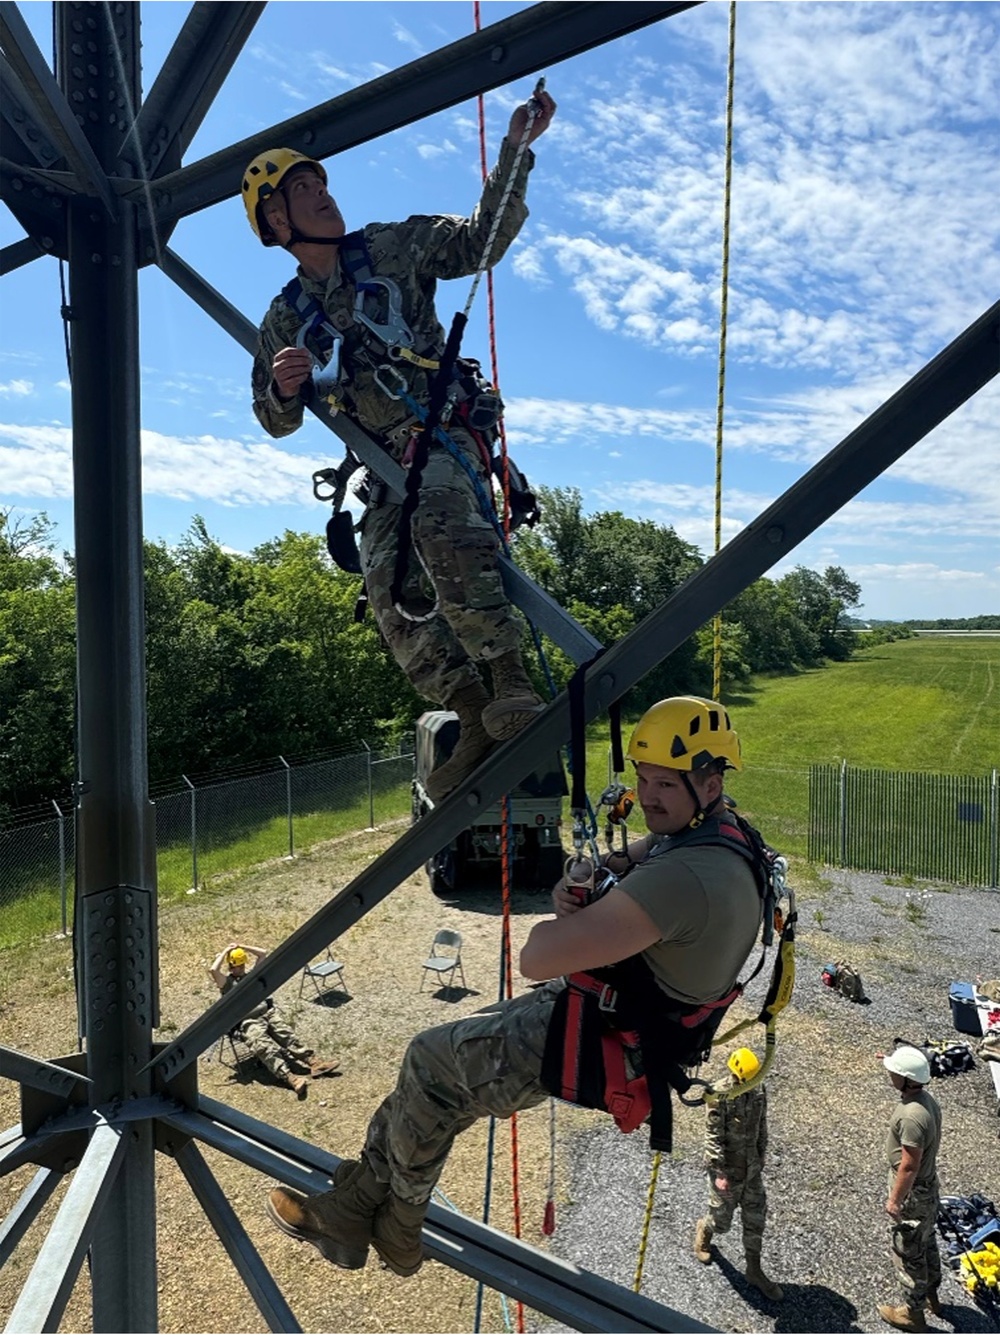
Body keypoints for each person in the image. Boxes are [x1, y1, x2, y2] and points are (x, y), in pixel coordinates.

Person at [264, 696, 766, 1276]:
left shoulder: (685, 877)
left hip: (597, 1038)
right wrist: (594, 879)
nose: (648, 798)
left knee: (429, 1062)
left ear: (708, 782)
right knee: (441, 1084)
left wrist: (574, 915)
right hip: (624, 1020)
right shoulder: (722, 834)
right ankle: (357, 1209)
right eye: (643, 779)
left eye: (664, 786)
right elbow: (641, 853)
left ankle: (394, 1225)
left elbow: (536, 957)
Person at [243, 85, 557, 803]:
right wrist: (285, 390)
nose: (322, 194)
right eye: (301, 189)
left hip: (443, 430)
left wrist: (515, 151)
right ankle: (473, 714)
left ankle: (508, 675)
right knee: (387, 594)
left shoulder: (390, 245)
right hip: (383, 466)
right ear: (275, 221)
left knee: (441, 520)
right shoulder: (283, 318)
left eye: (321, 181)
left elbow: (479, 240)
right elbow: (272, 418)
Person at [693, 1047, 783, 1301]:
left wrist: (762, 1151)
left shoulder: (757, 1088)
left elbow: (761, 1122)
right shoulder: (719, 1093)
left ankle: (754, 1270)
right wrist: (719, 1172)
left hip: (751, 1168)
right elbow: (712, 1135)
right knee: (722, 1221)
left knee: (756, 1218)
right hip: (727, 1172)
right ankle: (705, 1229)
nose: (752, 1085)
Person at [209, 943, 340, 1098]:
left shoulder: (250, 976)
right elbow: (213, 970)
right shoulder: (226, 983)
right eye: (237, 966)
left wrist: (241, 946)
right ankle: (291, 1078)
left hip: (266, 1013)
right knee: (264, 1046)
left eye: (242, 965)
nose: (241, 968)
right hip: (248, 1021)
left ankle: (314, 1063)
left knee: (286, 1035)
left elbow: (263, 954)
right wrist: (225, 951)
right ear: (230, 967)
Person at [877, 1045, 944, 1333]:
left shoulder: (911, 1117)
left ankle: (912, 1313)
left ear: (905, 1079)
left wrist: (895, 1200)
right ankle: (932, 1296)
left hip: (913, 1194)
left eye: (894, 1072)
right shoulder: (927, 1100)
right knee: (927, 1242)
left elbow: (908, 1165)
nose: (889, 1075)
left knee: (908, 1253)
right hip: (929, 1190)